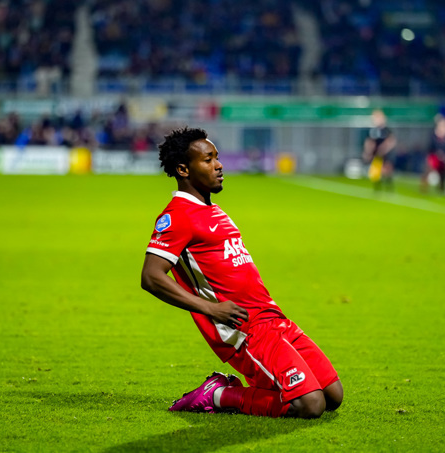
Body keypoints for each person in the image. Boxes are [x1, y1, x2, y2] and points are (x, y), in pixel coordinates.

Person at [140, 127, 343, 419]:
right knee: (310, 405)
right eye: (208, 160)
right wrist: (211, 308)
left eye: (217, 157)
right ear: (183, 169)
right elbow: (151, 276)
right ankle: (218, 394)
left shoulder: (214, 211)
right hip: (244, 330)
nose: (219, 165)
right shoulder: (178, 216)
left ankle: (271, 385)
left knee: (333, 395)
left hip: (274, 320)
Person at [363, 109, 397, 191]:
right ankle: (377, 187)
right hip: (376, 153)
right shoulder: (373, 130)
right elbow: (369, 142)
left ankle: (389, 187)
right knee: (377, 170)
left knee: (387, 169)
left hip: (386, 153)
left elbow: (391, 141)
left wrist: (384, 148)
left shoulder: (386, 130)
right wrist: (367, 152)